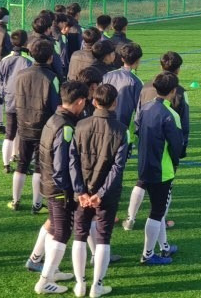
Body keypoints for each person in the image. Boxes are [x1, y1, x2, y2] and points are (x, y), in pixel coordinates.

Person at [70, 84, 129, 298]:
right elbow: (117, 167)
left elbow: (72, 160)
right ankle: (97, 285)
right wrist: (101, 193)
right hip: (106, 194)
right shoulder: (122, 130)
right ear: (114, 103)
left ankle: (79, 284)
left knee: (79, 234)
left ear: (94, 101)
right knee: (103, 237)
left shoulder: (80, 125)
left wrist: (80, 191)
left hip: (83, 192)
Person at [123, 51, 189, 232]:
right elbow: (184, 123)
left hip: (145, 140)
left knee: (142, 180)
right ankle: (161, 220)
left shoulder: (145, 87)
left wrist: (138, 135)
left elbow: (137, 115)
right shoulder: (179, 92)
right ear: (178, 69)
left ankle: (130, 218)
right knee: (165, 186)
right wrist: (182, 149)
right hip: (166, 146)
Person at [34, 81, 88, 294]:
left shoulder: (54, 118)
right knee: (62, 232)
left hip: (48, 183)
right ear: (80, 101)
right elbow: (61, 166)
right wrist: (70, 191)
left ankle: (52, 270)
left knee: (57, 228)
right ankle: (44, 281)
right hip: (58, 189)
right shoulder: (66, 127)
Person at [134, 72, 183, 265]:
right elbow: (176, 146)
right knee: (157, 211)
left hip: (144, 164)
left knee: (159, 210)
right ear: (173, 91)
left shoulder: (145, 108)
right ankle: (147, 254)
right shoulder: (171, 115)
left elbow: (137, 128)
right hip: (162, 169)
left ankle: (164, 247)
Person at [10, 39, 60, 213]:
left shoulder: (21, 74)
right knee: (40, 165)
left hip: (23, 123)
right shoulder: (51, 77)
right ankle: (36, 204)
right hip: (43, 127)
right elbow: (54, 105)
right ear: (51, 57)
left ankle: (15, 200)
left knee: (22, 163)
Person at [0, 29, 33, 173]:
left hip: (10, 99)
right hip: (24, 101)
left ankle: (8, 162)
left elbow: (1, 81)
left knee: (10, 132)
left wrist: (3, 96)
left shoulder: (4, 60)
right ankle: (18, 157)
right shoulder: (29, 61)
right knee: (22, 131)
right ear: (26, 42)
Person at [101, 42, 143, 127]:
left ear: (122, 59)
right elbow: (139, 109)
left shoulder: (107, 75)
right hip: (124, 126)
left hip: (104, 121)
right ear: (138, 60)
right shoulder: (137, 82)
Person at [28, 14, 65, 81]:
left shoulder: (29, 39)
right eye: (50, 27)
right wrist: (61, 79)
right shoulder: (48, 43)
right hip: (46, 77)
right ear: (47, 29)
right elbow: (57, 65)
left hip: (29, 75)